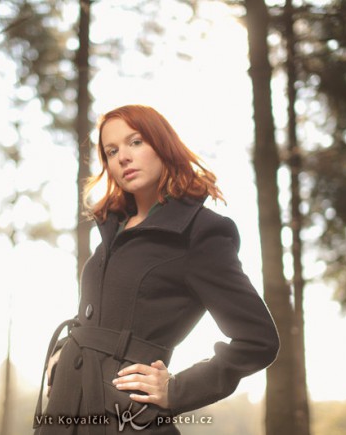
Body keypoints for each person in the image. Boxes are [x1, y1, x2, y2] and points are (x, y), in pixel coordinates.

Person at [34, 104, 279, 434]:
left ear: (162, 145)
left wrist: (176, 389)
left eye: (135, 142)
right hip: (65, 409)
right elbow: (98, 317)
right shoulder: (113, 227)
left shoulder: (200, 232)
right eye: (111, 150)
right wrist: (63, 351)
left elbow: (258, 339)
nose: (123, 157)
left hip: (124, 417)